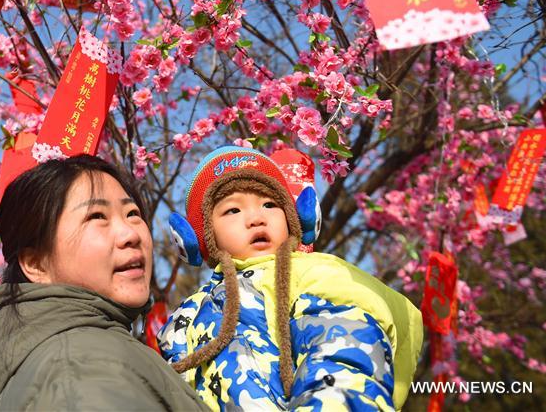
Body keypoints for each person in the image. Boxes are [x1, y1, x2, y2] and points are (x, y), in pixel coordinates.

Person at [159, 145, 424, 411]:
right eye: (233, 211)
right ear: (197, 238)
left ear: (296, 218)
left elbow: (344, 355)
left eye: (270, 204)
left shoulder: (313, 276)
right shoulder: (187, 315)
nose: (256, 218)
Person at [0, 154, 207, 411]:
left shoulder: (51, 360)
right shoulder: (81, 368)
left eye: (132, 213)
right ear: (37, 264)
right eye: (96, 216)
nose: (130, 234)